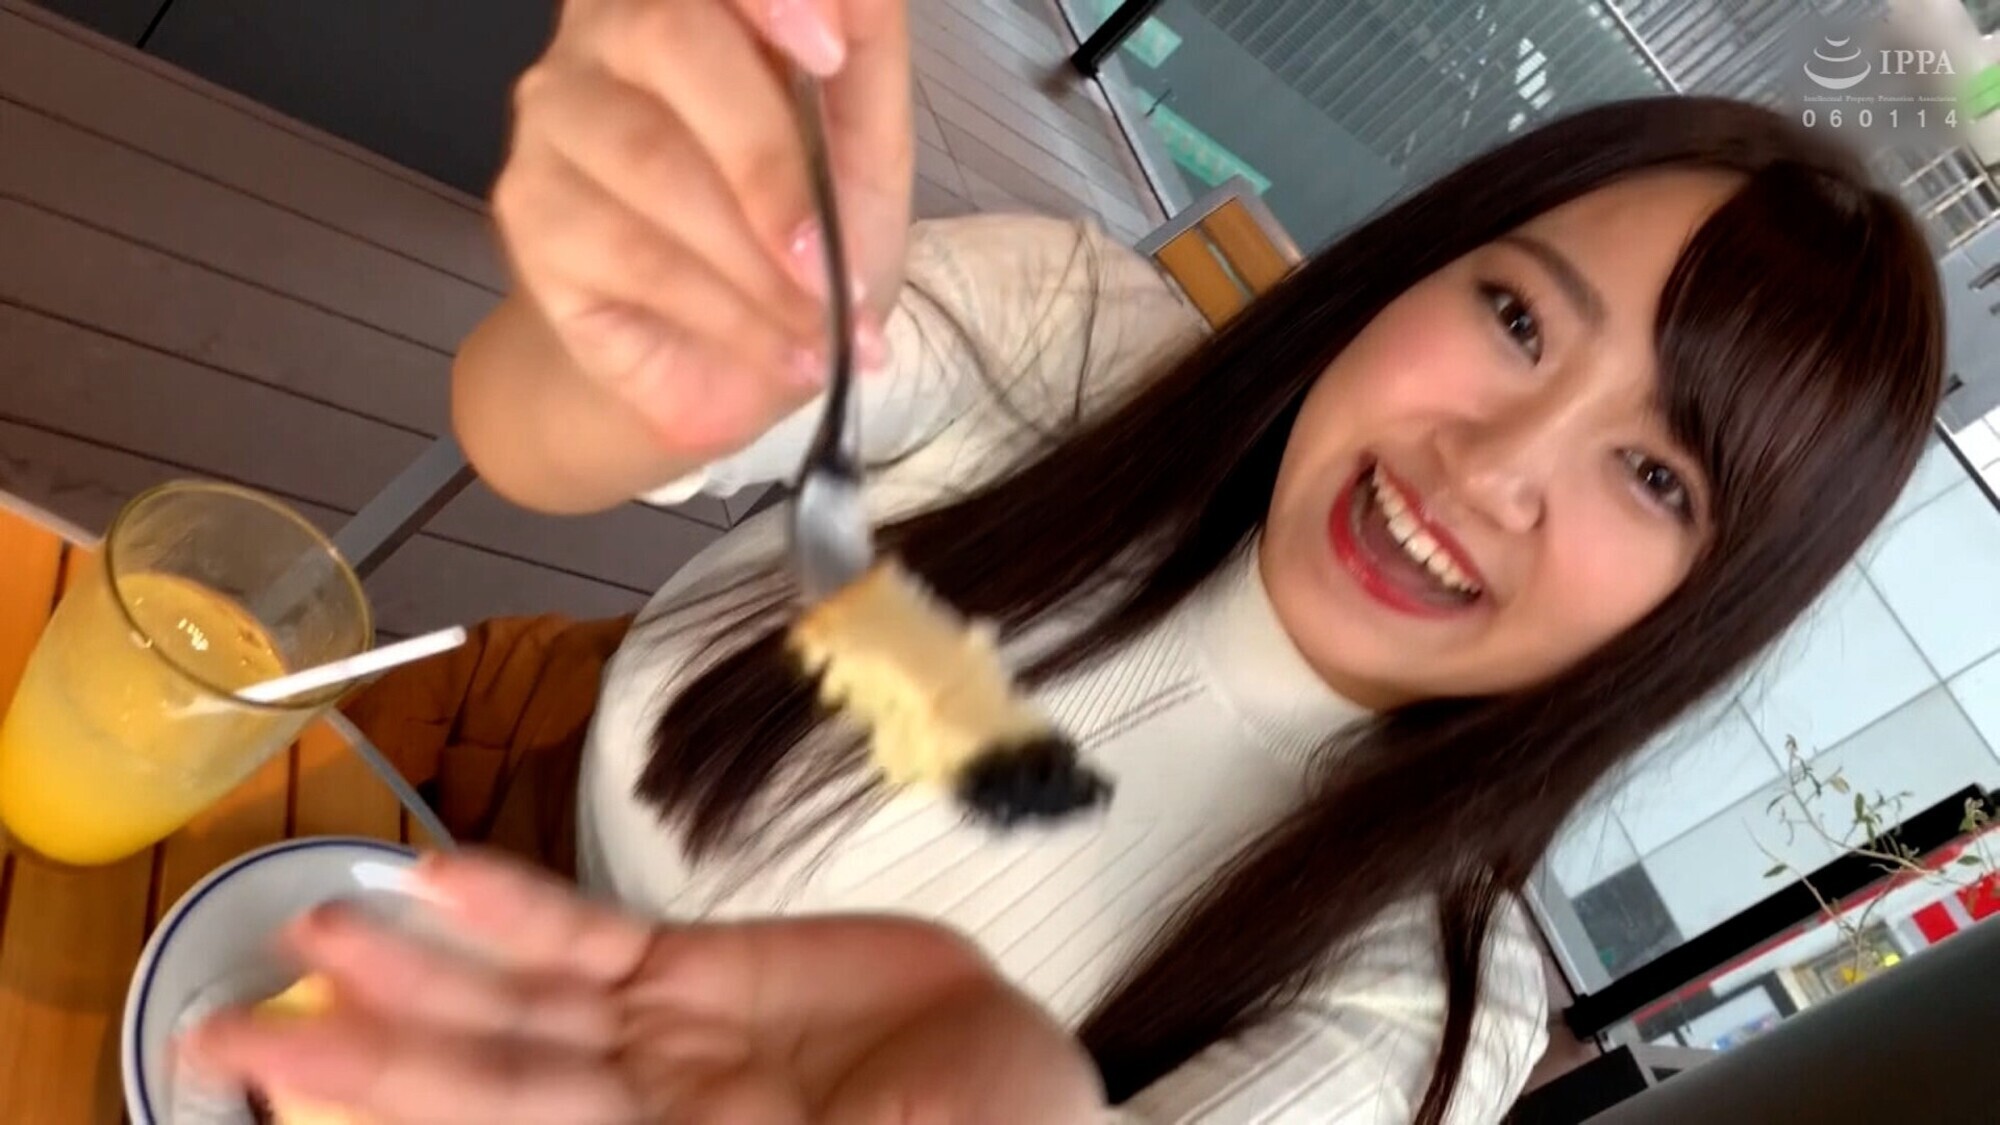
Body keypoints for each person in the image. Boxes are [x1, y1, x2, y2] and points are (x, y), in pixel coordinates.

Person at [181, 0, 1947, 1121]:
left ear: (1703, 609)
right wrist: (661, 308)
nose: (1488, 469)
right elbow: (521, 425)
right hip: (402, 833)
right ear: (1414, 264)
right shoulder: (1080, 344)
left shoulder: (1410, 1017)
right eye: (1515, 316)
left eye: (1652, 473)